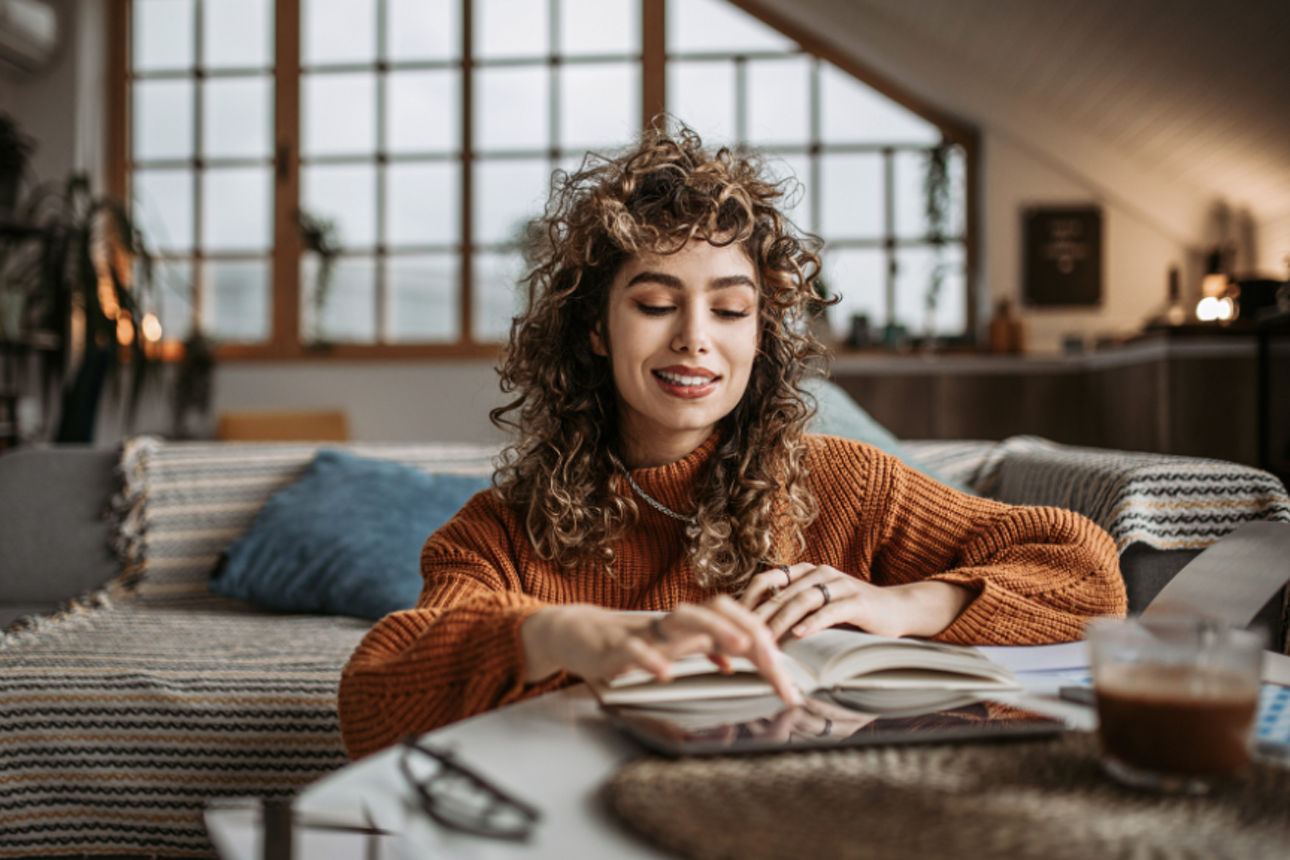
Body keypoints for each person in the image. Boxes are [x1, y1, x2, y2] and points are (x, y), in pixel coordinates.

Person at [338, 124, 1126, 759]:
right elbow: (375, 699)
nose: (694, 340)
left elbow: (1087, 573)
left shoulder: (843, 483)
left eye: (729, 309)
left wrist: (903, 605)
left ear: (761, 335)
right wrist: (571, 633)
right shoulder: (502, 529)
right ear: (596, 332)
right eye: (654, 303)